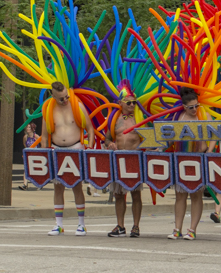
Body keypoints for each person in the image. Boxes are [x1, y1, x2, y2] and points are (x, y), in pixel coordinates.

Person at [39, 82, 95, 236]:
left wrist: (88, 148)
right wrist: (45, 156)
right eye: (61, 99)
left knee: (77, 186)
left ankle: (81, 224)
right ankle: (59, 224)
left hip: (76, 148)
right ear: (53, 96)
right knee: (58, 187)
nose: (65, 100)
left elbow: (90, 129)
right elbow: (44, 137)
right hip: (56, 150)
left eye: (66, 97)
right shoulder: (48, 109)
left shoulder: (76, 105)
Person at [105, 88, 144, 238]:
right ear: (120, 102)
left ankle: (136, 226)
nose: (132, 105)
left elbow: (149, 138)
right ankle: (120, 226)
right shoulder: (115, 119)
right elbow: (107, 138)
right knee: (119, 194)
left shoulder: (139, 118)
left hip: (134, 159)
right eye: (129, 102)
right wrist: (110, 144)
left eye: (134, 102)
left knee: (136, 194)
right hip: (118, 160)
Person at [171, 87, 208, 240]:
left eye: (196, 106)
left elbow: (213, 136)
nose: (194, 109)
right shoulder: (178, 116)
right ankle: (177, 228)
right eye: (190, 107)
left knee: (196, 195)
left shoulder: (204, 116)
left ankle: (192, 229)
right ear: (184, 107)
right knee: (180, 195)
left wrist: (207, 149)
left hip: (198, 159)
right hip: (180, 159)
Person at [19, 122, 38, 190]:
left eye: (29, 127)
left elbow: (41, 144)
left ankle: (38, 183)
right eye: (27, 127)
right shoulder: (25, 137)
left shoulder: (36, 136)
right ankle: (25, 184)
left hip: (35, 155)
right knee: (26, 169)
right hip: (28, 154)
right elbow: (24, 144)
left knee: (35, 170)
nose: (27, 128)